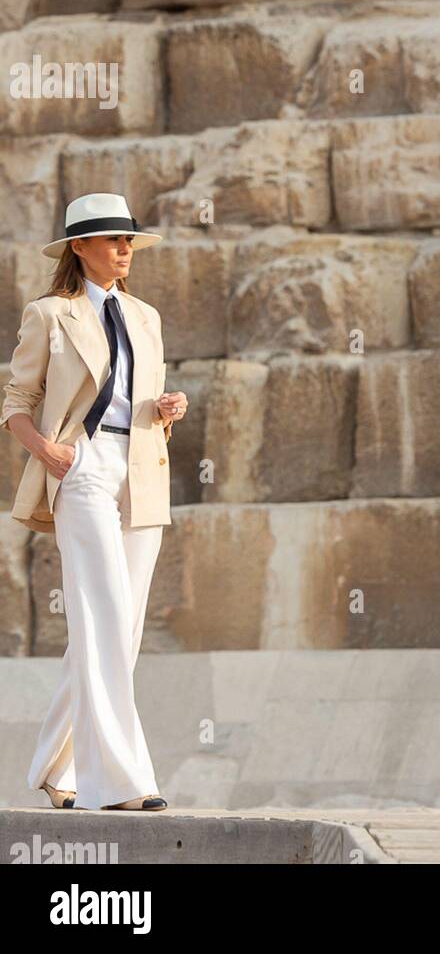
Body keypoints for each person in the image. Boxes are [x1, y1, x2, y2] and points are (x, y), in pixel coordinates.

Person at [1, 192, 188, 811]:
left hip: (141, 469)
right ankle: (122, 783)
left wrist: (167, 411)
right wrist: (48, 453)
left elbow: (143, 401)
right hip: (79, 467)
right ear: (79, 247)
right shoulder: (49, 314)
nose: (124, 250)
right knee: (103, 615)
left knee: (119, 629)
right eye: (112, 240)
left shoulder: (147, 317)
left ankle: (60, 769)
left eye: (129, 239)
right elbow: (15, 403)